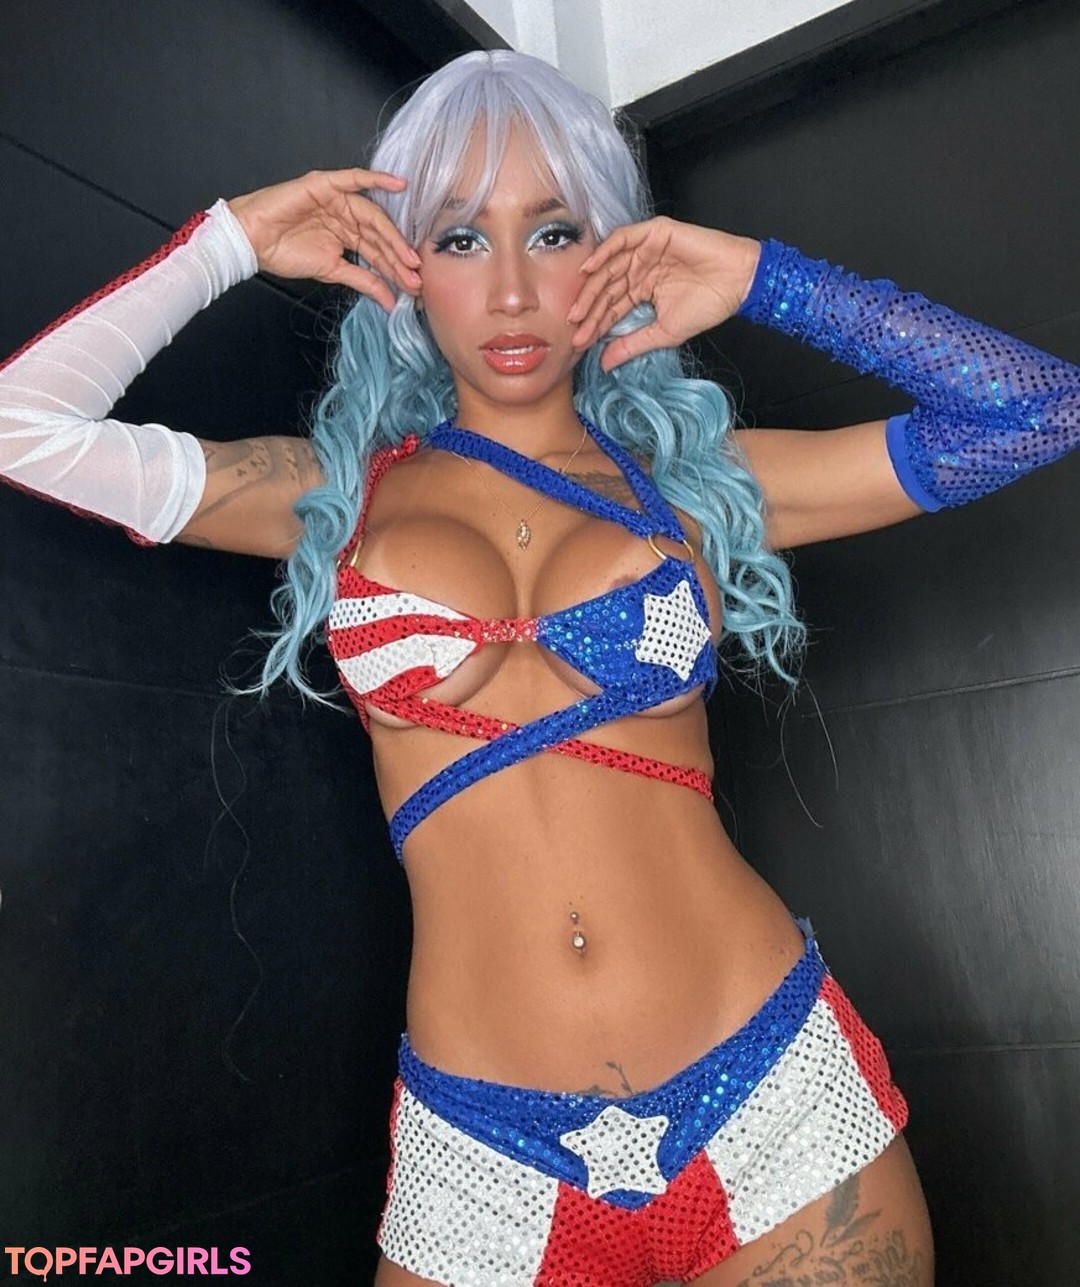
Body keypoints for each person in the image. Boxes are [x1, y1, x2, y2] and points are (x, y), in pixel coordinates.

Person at [4, 47, 1078, 1287]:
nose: (512, 290)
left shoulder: (700, 487)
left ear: (614, 252)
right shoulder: (328, 497)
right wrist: (233, 241)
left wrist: (764, 280)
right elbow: (23, 429)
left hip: (772, 1100)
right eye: (460, 238)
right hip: (485, 1152)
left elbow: (1041, 409)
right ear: (401, 265)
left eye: (555, 231)